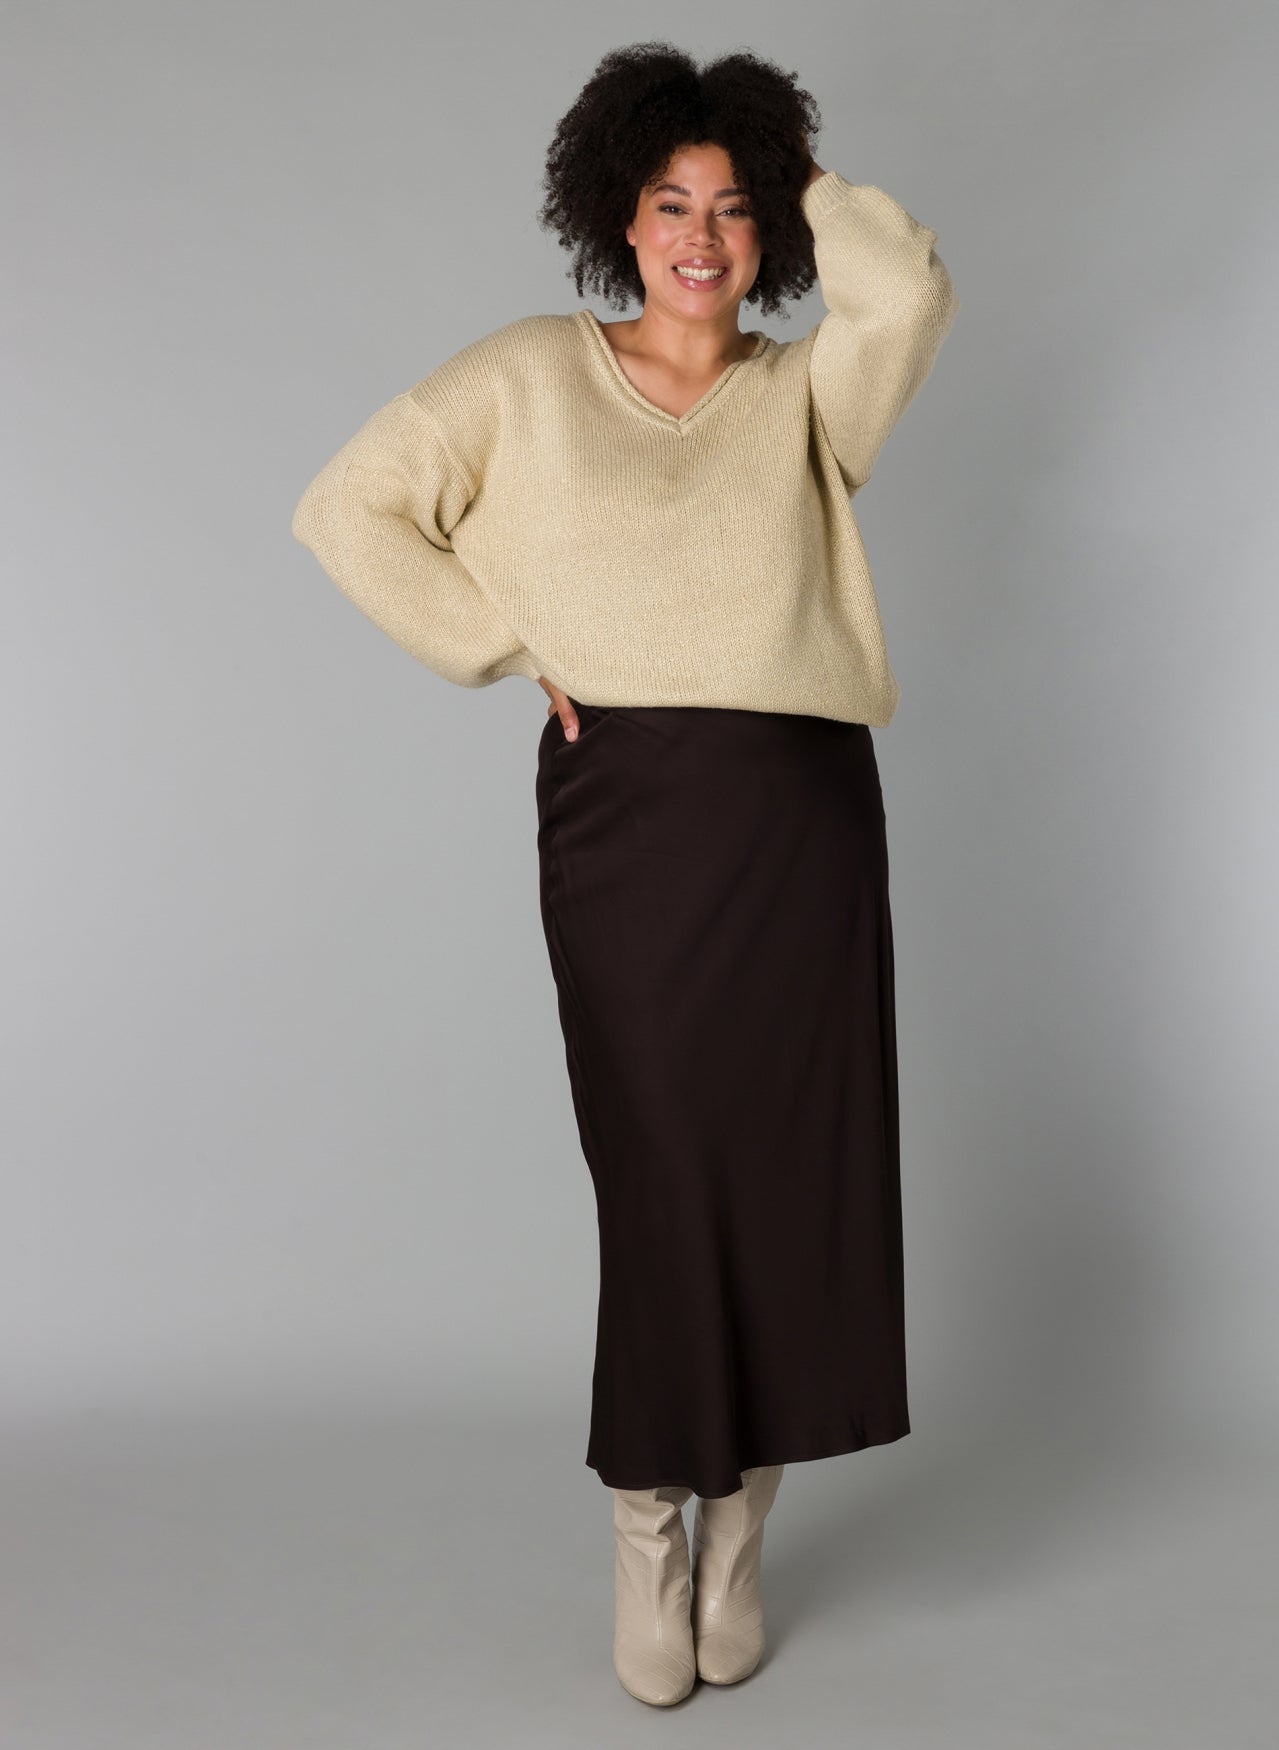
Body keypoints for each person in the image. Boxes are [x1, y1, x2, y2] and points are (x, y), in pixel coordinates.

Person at [291, 41, 958, 1709]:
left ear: (770, 227)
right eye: (669, 202)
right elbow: (352, 505)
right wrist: (506, 641)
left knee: (790, 1181)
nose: (700, 238)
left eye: (732, 207)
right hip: (633, 822)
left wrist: (799, 172)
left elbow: (909, 290)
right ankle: (651, 1526)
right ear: (617, 214)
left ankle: (742, 1538)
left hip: (802, 819)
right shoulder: (530, 375)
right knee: (665, 1178)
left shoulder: (809, 398)